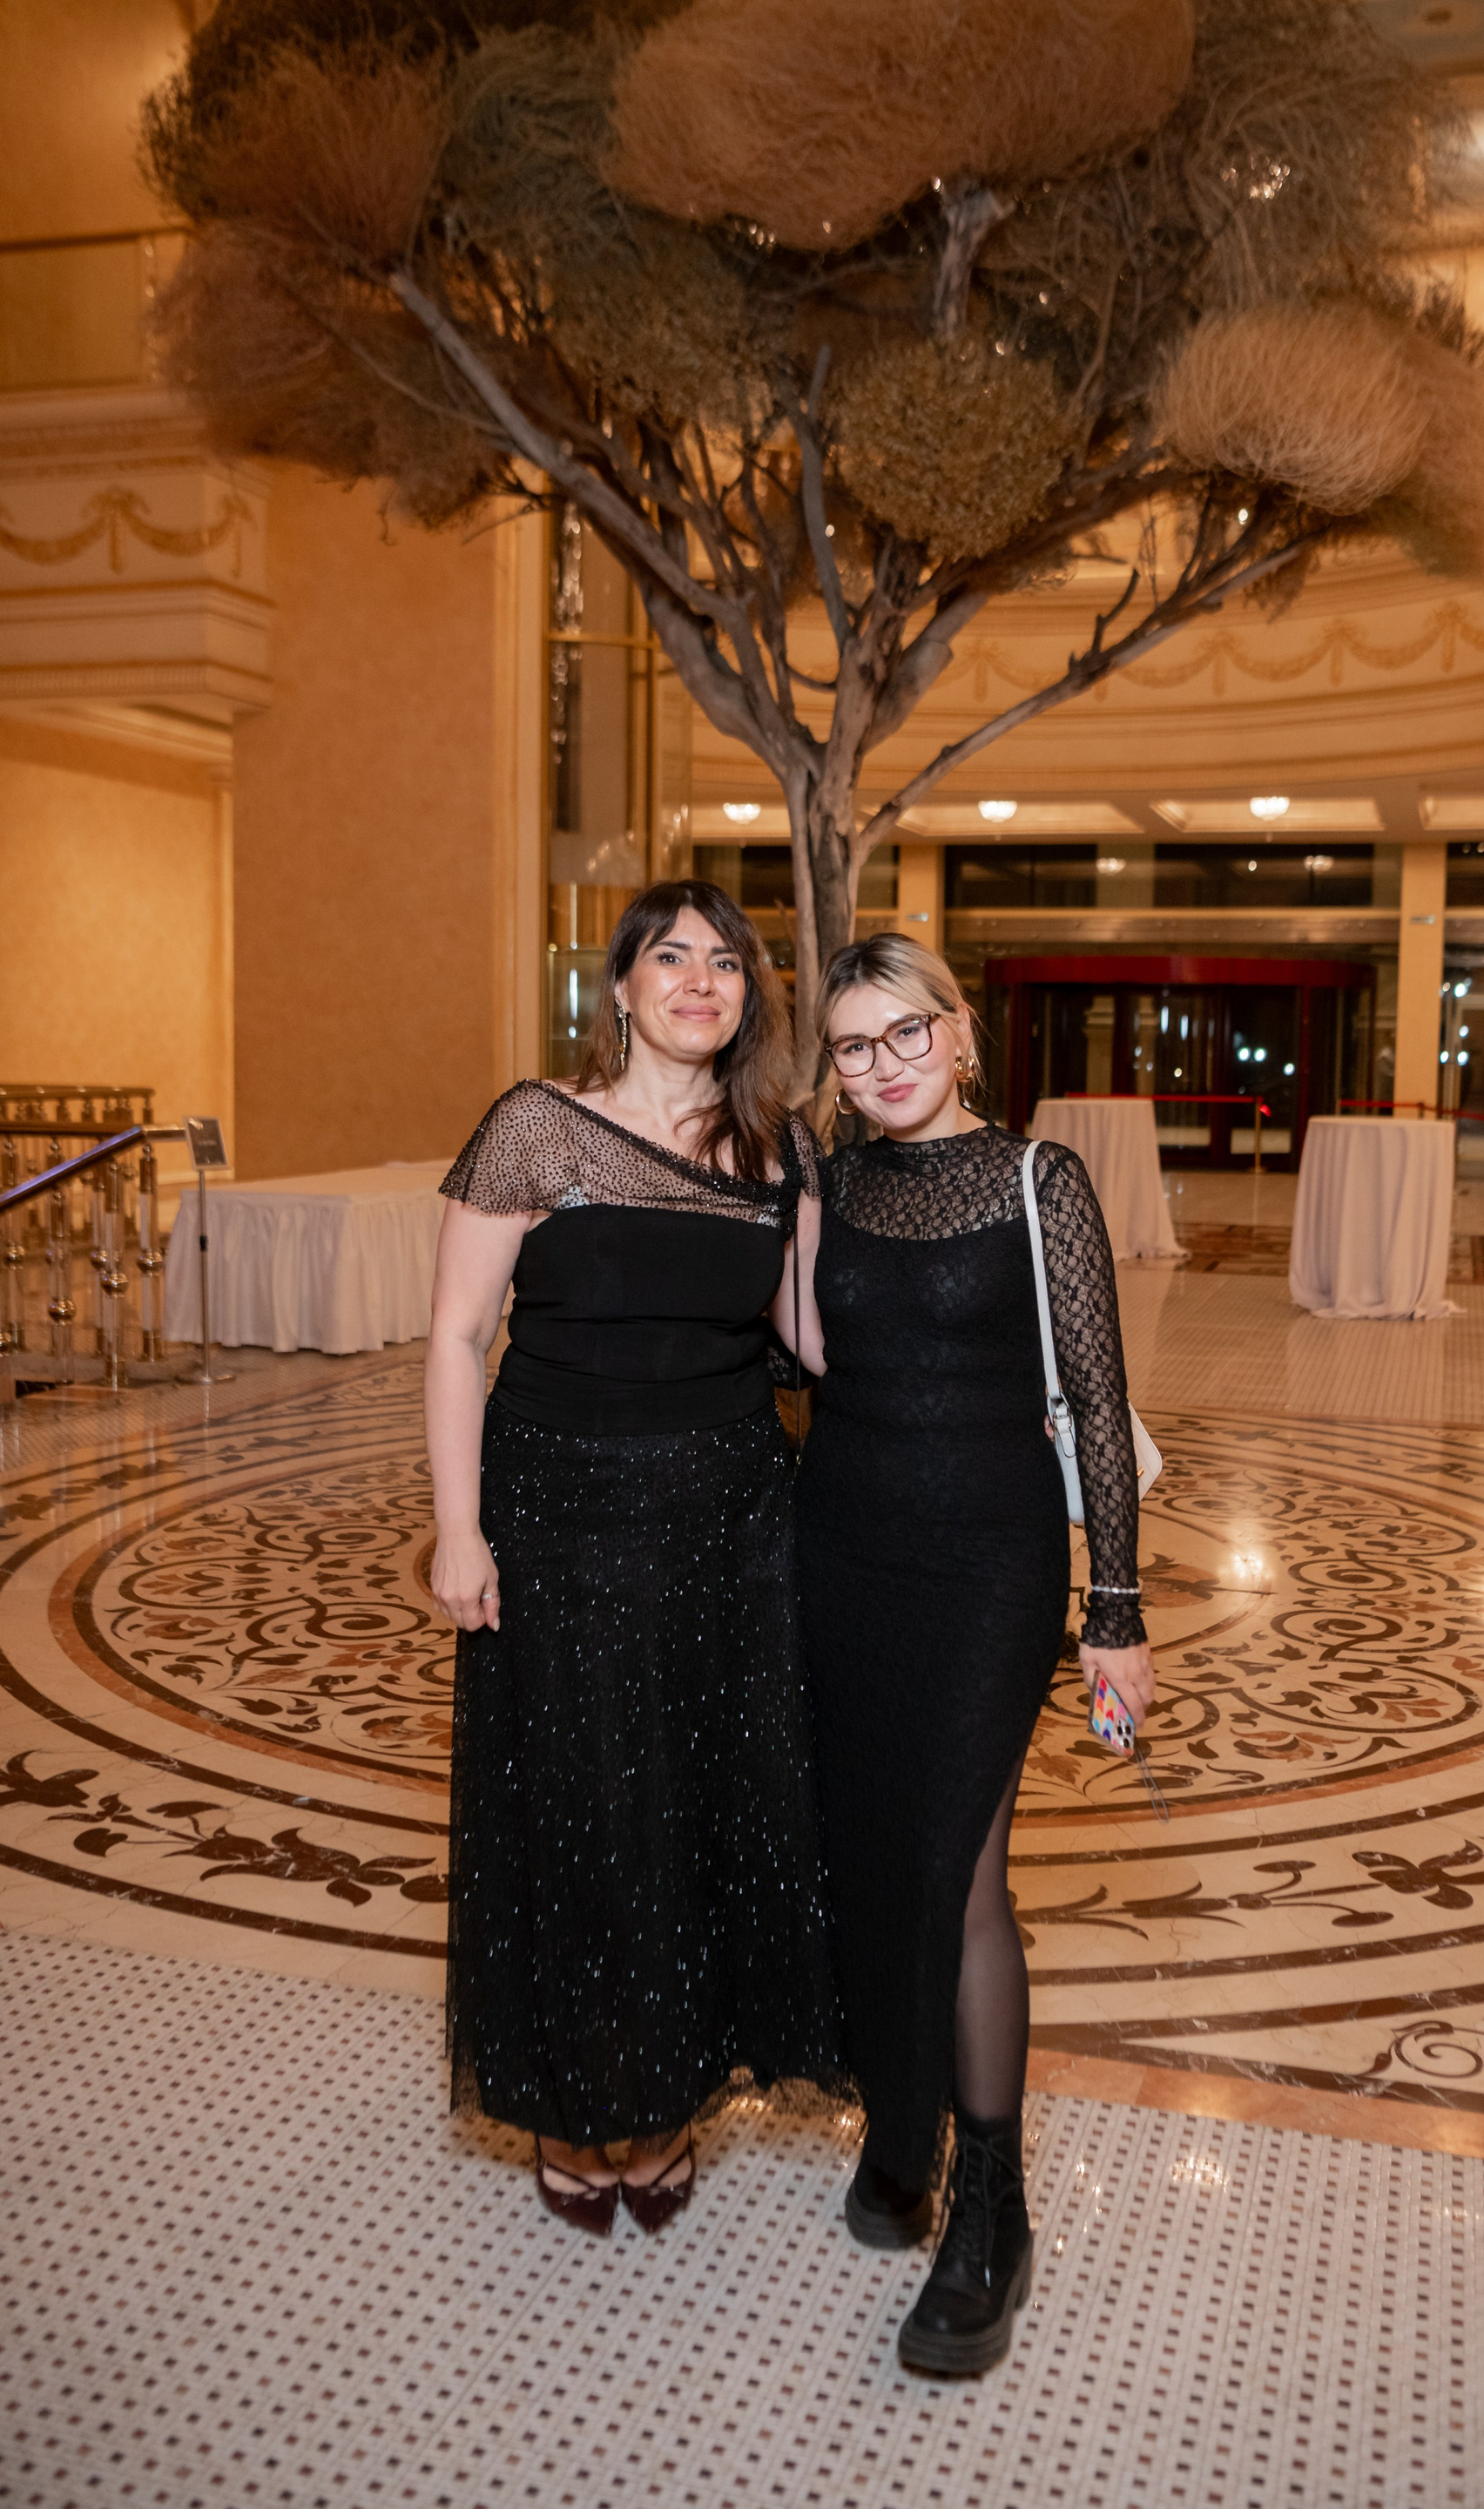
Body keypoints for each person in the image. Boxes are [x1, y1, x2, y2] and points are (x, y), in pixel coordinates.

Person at [427, 880, 843, 2237]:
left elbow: (814, 1340)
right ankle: (570, 2097)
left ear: (749, 995)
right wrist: (457, 1526)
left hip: (729, 1522)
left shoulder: (777, 1151)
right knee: (575, 1808)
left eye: (725, 962)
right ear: (620, 986)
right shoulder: (537, 1126)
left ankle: (662, 2099)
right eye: (672, 957)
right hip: (557, 1514)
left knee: (696, 1812)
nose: (700, 982)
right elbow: (456, 1339)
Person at [785, 933, 1157, 2377]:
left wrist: (1114, 1612)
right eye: (852, 1045)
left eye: (906, 1033)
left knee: (959, 1870)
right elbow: (798, 1357)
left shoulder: (1037, 1180)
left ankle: (993, 2206)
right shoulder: (830, 1182)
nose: (882, 1066)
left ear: (959, 1031)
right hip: (843, 1553)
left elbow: (1101, 1397)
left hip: (989, 1570)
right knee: (873, 1857)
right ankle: (904, 2132)